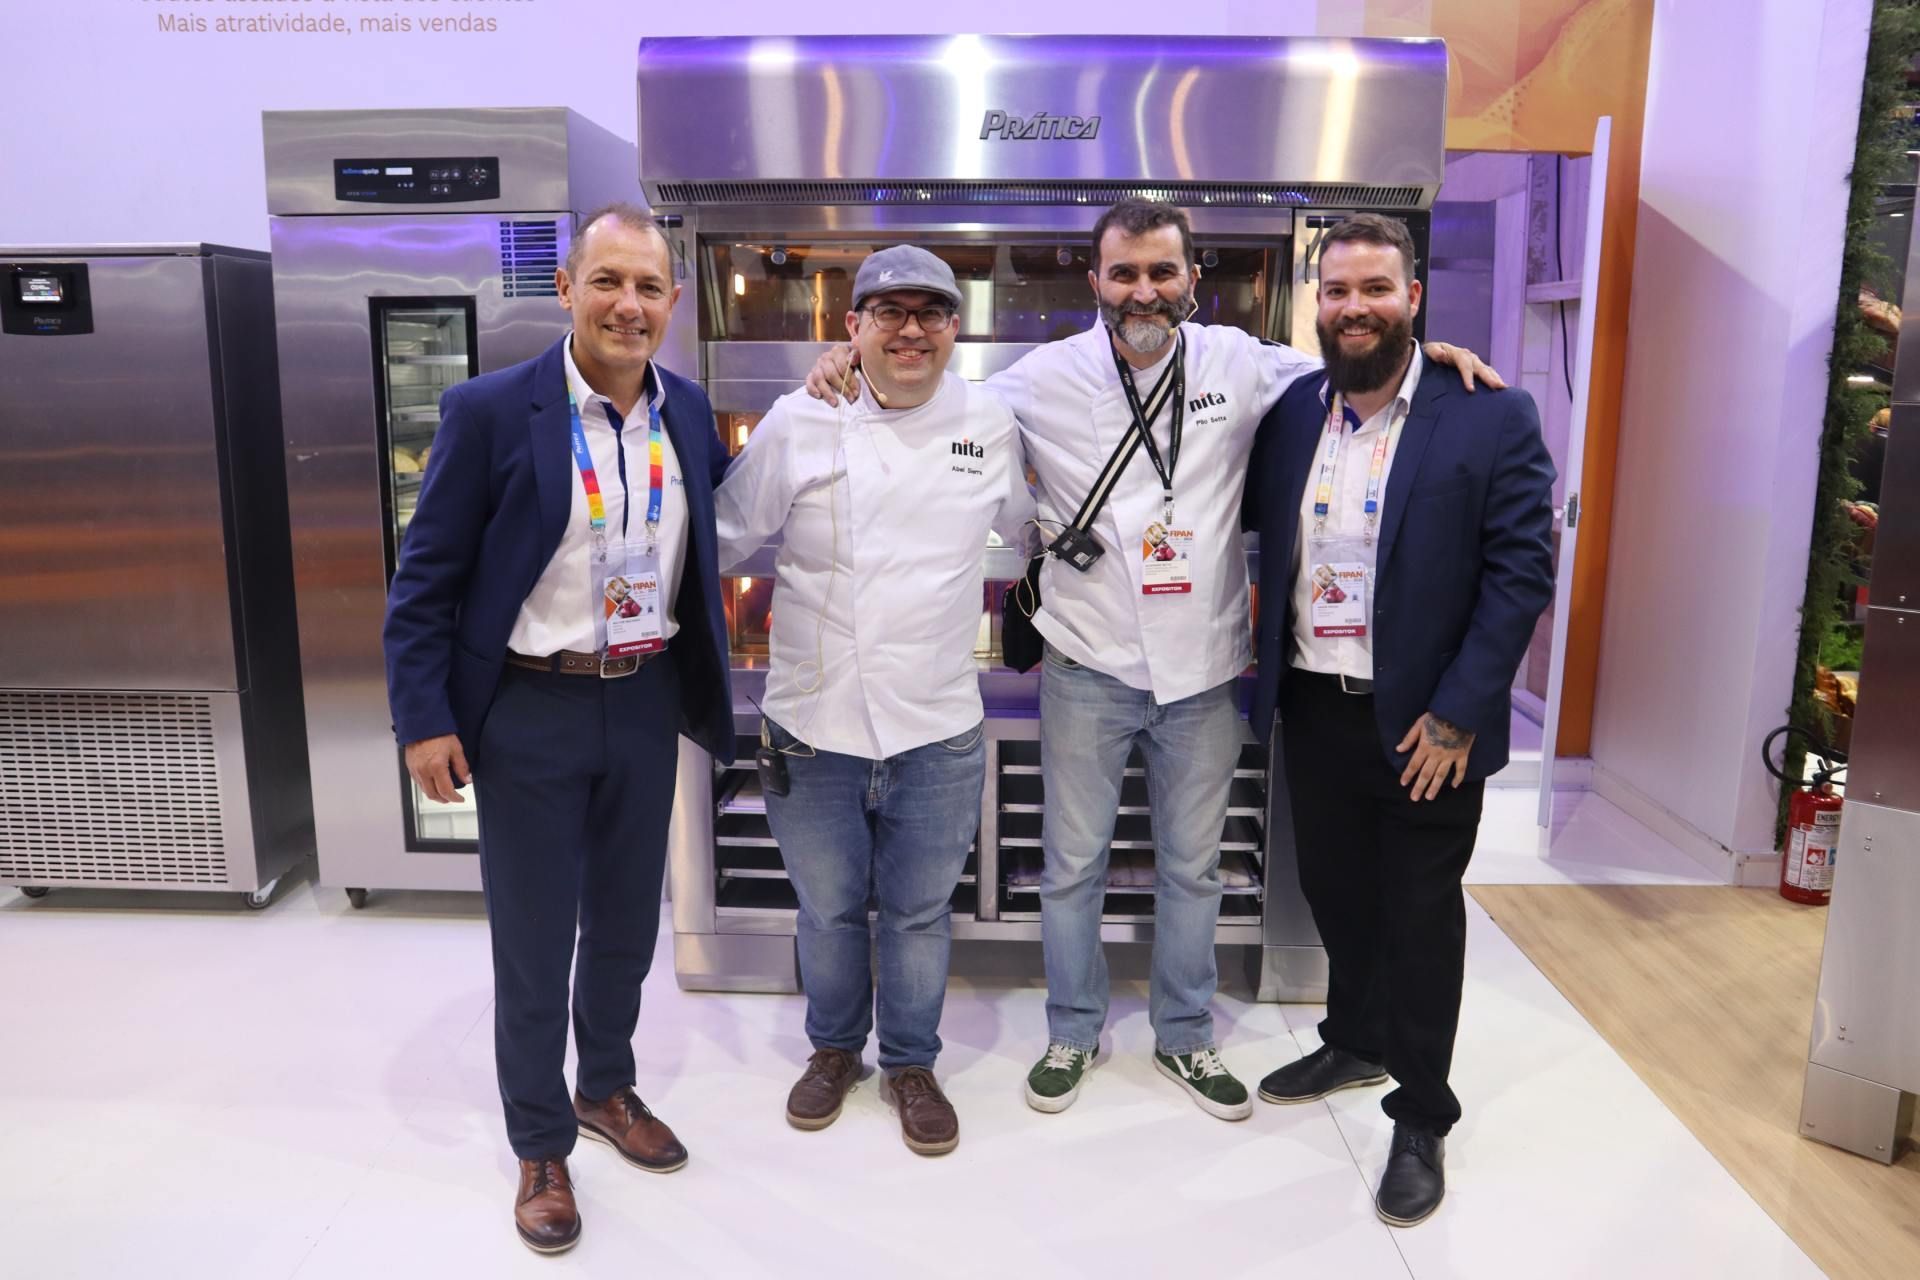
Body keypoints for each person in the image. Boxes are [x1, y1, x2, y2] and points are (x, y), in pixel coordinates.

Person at [806, 199, 1501, 1123]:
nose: (1144, 291)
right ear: (1095, 280)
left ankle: (1184, 1033)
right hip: (1086, 665)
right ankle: (1073, 1030)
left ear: (1191, 281)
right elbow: (931, 391)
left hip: (1205, 671)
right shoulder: (1039, 379)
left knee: (1193, 869)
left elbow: (1363, 358)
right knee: (1072, 867)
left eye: (1162, 272)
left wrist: (1435, 354)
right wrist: (849, 359)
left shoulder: (1241, 363)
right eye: (1125, 273)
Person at [382, 204, 733, 1255]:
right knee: (535, 940)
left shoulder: (689, 411)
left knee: (625, 925)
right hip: (530, 704)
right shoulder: (491, 410)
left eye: (650, 287)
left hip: (645, 694)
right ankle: (540, 1141)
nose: (630, 304)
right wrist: (424, 720)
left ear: (673, 302)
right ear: (568, 288)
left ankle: (605, 1087)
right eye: (608, 281)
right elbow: (425, 582)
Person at [1242, 213, 1555, 1226]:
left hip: (1428, 725)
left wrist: (1461, 712)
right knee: (1335, 892)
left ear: (1413, 297)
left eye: (1376, 288)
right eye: (1337, 291)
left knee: (1419, 915)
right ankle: (1355, 1036)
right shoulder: (1291, 415)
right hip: (1314, 703)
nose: (1355, 308)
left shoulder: (1488, 415)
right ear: (1316, 303)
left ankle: (1421, 1113)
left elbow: (1521, 574)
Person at [715, 246, 1033, 1156]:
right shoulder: (800, 418)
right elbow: (725, 535)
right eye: (888, 312)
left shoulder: (989, 422)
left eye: (930, 312)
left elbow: (1028, 531)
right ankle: (832, 1051)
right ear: (851, 326)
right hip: (812, 724)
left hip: (937, 723)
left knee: (919, 914)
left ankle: (911, 1063)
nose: (910, 330)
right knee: (826, 910)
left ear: (955, 328)